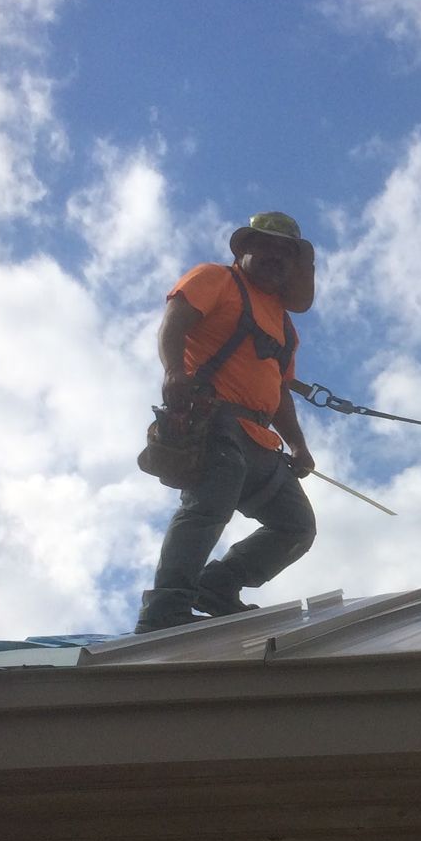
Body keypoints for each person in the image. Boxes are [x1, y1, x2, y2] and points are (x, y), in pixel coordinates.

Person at [135, 211, 318, 633]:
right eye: (266, 247)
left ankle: (217, 586)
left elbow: (278, 389)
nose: (276, 258)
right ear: (245, 250)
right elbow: (175, 322)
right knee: (208, 504)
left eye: (285, 253)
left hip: (260, 440)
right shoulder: (216, 278)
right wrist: (173, 372)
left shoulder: (285, 327)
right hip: (214, 419)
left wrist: (298, 445)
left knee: (296, 525)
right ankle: (165, 606)